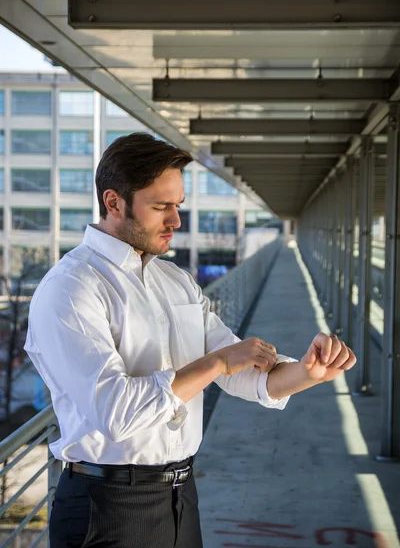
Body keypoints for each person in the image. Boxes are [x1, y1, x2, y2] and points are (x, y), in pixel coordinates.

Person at [24, 132, 356, 548]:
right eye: (161, 206)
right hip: (107, 507)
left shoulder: (176, 281)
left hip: (181, 496)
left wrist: (307, 372)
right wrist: (215, 363)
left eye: (177, 205)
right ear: (113, 202)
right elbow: (116, 413)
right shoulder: (71, 289)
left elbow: (244, 373)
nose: (176, 221)